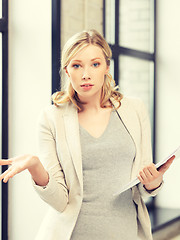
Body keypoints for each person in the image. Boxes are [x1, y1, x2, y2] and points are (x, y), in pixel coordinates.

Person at [0, 29, 175, 240]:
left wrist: (153, 181)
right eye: (76, 65)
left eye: (95, 64)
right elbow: (59, 201)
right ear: (67, 71)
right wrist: (35, 166)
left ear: (107, 68)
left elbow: (144, 187)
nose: (86, 74)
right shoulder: (51, 118)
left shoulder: (135, 110)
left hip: (126, 233)